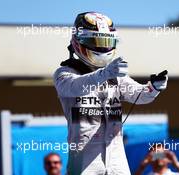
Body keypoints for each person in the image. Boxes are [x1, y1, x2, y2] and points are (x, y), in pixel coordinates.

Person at [53, 12, 168, 175]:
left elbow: (139, 95)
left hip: (116, 156)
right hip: (83, 158)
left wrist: (154, 87)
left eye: (106, 41)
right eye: (96, 41)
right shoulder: (64, 73)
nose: (102, 47)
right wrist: (105, 73)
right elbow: (76, 87)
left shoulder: (113, 74)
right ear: (80, 41)